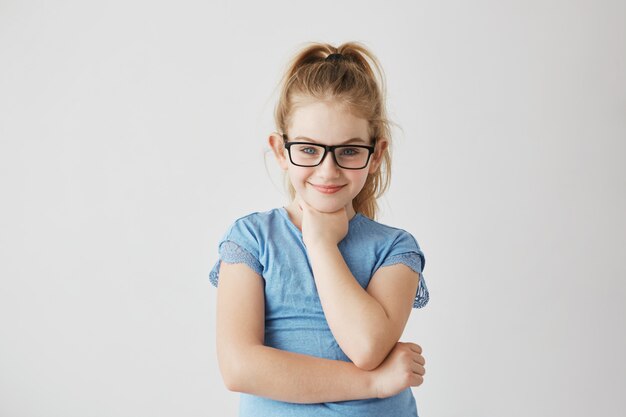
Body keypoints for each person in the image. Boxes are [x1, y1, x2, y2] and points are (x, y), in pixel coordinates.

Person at [209, 41, 430, 417]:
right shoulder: (250, 240)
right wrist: (374, 382)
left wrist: (320, 243)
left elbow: (366, 345)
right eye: (309, 150)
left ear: (375, 155)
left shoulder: (395, 249)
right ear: (281, 151)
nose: (328, 171)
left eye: (348, 151)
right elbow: (240, 367)